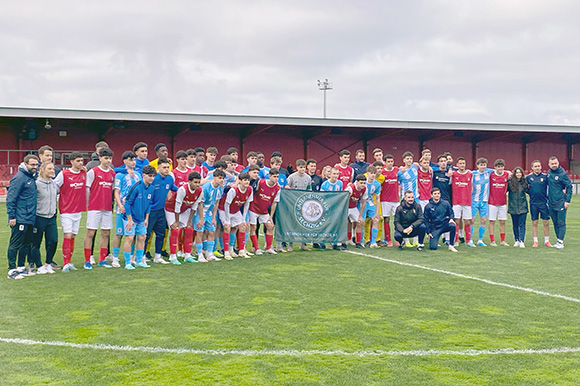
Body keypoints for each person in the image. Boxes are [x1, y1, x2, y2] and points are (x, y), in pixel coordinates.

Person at [6, 154, 39, 279]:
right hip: (20, 217)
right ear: (25, 164)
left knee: (26, 244)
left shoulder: (31, 177)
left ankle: (20, 267)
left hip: (29, 218)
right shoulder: (20, 177)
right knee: (15, 244)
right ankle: (11, 270)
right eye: (32, 164)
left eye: (36, 165)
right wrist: (12, 216)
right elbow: (11, 198)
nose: (35, 167)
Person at [54, 152, 87, 272]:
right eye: (78, 161)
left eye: (82, 161)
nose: (80, 163)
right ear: (71, 162)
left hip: (77, 210)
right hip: (66, 210)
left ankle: (69, 261)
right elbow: (54, 186)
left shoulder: (84, 173)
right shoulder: (64, 174)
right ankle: (65, 263)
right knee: (67, 235)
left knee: (73, 235)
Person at [83, 148, 115, 269]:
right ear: (100, 158)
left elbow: (113, 190)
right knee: (90, 232)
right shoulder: (93, 172)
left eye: (110, 158)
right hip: (94, 207)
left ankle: (102, 259)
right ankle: (87, 260)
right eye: (106, 158)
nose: (108, 161)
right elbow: (87, 189)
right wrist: (87, 204)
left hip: (107, 207)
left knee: (106, 233)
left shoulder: (112, 173)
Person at [123, 165, 157, 269]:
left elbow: (149, 204)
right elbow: (127, 203)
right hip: (131, 218)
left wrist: (146, 218)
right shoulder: (136, 187)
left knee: (142, 237)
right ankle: (128, 263)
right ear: (144, 175)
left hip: (142, 218)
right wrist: (129, 219)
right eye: (149, 176)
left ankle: (139, 261)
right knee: (129, 238)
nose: (152, 178)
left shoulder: (152, 188)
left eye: (153, 176)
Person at [166, 172, 205, 263]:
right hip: (171, 209)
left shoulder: (200, 191)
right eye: (195, 182)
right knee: (175, 230)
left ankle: (187, 255)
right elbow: (177, 206)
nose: (197, 184)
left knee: (189, 229)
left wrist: (189, 220)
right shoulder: (182, 190)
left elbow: (194, 206)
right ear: (189, 182)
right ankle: (172, 256)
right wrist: (176, 221)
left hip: (184, 210)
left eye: (199, 182)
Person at [112, 151, 142, 268]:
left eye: (134, 160)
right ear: (124, 161)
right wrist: (119, 205)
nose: (133, 162)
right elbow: (117, 191)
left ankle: (130, 258)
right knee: (119, 234)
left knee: (132, 235)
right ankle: (115, 258)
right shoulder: (120, 175)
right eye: (130, 160)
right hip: (122, 210)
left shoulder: (138, 175)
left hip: (135, 210)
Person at [145, 159, 178, 263]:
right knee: (147, 234)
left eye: (168, 167)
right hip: (150, 211)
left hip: (161, 210)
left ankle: (157, 256)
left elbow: (174, 188)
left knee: (161, 234)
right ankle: (142, 255)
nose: (167, 169)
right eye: (164, 167)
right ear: (158, 167)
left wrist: (185, 189)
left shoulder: (169, 179)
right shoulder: (153, 179)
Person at [30, 162, 58, 274]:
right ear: (43, 170)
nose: (52, 170)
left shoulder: (54, 184)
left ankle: (48, 263)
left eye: (53, 169)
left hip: (51, 217)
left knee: (53, 240)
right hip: (39, 217)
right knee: (36, 243)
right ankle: (39, 265)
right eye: (49, 169)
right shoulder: (36, 184)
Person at [249, 168, 281, 255]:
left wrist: (271, 216)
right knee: (253, 227)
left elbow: (274, 203)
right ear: (269, 176)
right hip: (254, 208)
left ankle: (269, 248)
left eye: (277, 177)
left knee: (270, 226)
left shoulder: (277, 188)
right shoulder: (261, 182)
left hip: (264, 211)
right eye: (274, 176)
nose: (276, 179)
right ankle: (256, 248)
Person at [222, 172, 253, 259]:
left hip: (235, 210)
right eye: (245, 180)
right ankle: (226, 252)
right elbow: (226, 204)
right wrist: (227, 219)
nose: (247, 182)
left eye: (248, 180)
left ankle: (240, 250)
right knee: (227, 227)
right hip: (224, 210)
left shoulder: (249, 189)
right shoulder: (233, 190)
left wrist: (243, 218)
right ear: (240, 181)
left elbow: (247, 204)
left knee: (241, 226)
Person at [547, 156, 572, 250]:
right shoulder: (549, 173)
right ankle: (558, 241)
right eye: (552, 164)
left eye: (555, 163)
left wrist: (567, 200)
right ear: (549, 164)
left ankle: (560, 242)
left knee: (561, 222)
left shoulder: (562, 174)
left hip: (561, 202)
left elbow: (569, 187)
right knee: (555, 222)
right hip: (551, 203)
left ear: (558, 163)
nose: (554, 165)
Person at [421, 187, 458, 252]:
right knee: (433, 247)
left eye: (438, 193)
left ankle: (451, 245)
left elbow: (451, 212)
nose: (437, 195)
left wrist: (451, 219)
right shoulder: (428, 206)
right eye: (435, 194)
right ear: (431, 195)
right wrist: (428, 232)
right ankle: (434, 239)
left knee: (452, 225)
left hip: (444, 225)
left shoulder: (445, 203)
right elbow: (426, 220)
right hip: (435, 228)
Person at [200, 169, 225, 260]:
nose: (221, 180)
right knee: (200, 233)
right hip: (201, 212)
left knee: (212, 231)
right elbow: (200, 203)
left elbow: (216, 203)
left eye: (222, 178)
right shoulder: (206, 187)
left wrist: (214, 217)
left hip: (209, 213)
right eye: (220, 178)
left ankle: (209, 254)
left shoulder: (220, 189)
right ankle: (199, 254)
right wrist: (201, 217)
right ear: (214, 178)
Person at [526, 160, 552, 247]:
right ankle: (535, 241)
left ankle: (546, 241)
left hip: (544, 203)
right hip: (533, 203)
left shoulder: (545, 177)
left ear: (541, 167)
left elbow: (551, 186)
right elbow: (526, 189)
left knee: (546, 222)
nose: (537, 168)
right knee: (534, 222)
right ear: (532, 168)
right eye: (535, 166)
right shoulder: (529, 178)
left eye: (538, 166)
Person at [450, 157, 473, 247]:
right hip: (456, 202)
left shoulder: (470, 174)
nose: (462, 165)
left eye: (463, 163)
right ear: (457, 165)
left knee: (467, 221)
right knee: (457, 221)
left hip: (467, 202)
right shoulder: (454, 174)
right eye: (460, 163)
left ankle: (468, 241)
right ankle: (456, 240)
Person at [471, 158, 493, 247]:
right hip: (474, 200)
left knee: (483, 220)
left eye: (484, 164)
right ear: (477, 165)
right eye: (481, 164)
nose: (483, 166)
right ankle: (470, 240)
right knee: (472, 220)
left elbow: (501, 170)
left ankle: (480, 240)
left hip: (484, 201)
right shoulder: (473, 174)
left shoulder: (488, 172)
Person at [488, 159, 510, 246]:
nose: (500, 168)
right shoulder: (491, 175)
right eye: (498, 167)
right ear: (495, 167)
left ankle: (502, 240)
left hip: (503, 202)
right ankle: (492, 240)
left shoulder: (506, 174)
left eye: (501, 167)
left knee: (502, 222)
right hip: (492, 203)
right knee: (492, 221)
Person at [380, 154, 399, 247]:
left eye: (392, 161)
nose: (390, 163)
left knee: (397, 219)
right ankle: (388, 239)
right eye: (388, 162)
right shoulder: (382, 172)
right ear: (385, 162)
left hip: (395, 199)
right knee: (386, 219)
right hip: (385, 200)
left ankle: (398, 239)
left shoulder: (397, 170)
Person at [508, 167, 529, 248]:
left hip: (523, 207)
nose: (518, 174)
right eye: (517, 173)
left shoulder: (525, 182)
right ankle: (516, 240)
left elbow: (530, 191)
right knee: (515, 224)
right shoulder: (510, 183)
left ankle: (522, 241)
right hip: (513, 206)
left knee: (522, 224)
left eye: (520, 172)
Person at [346, 174, 368, 248]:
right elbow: (343, 199)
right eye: (361, 183)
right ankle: (343, 241)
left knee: (361, 222)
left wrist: (360, 216)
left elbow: (364, 202)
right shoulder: (350, 188)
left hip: (353, 207)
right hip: (345, 207)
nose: (363, 185)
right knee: (344, 223)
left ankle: (358, 242)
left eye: (364, 183)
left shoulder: (365, 189)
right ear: (357, 182)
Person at [362, 166, 381, 248]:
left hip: (370, 203)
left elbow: (377, 198)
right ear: (367, 173)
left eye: (374, 173)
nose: (373, 175)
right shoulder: (363, 181)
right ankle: (360, 241)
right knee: (361, 222)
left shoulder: (377, 184)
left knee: (376, 220)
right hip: (362, 203)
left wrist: (377, 211)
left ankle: (373, 242)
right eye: (371, 173)